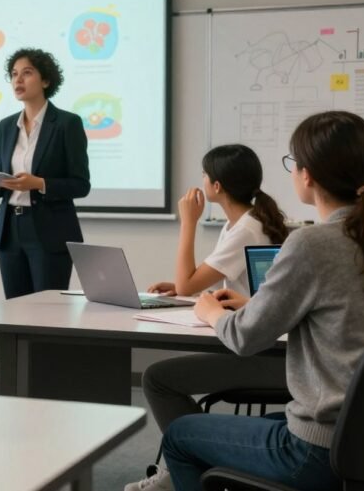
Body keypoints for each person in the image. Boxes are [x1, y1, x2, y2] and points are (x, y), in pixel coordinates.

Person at [156, 111, 364, 491]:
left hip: (319, 451)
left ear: (307, 175)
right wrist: (252, 303)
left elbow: (244, 339)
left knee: (180, 436)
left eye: (292, 163)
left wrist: (212, 311)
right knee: (270, 420)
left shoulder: (312, 244)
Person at [126, 144, 290, 490]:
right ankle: (190, 458)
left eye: (204, 175)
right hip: (263, 342)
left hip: (264, 351)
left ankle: (188, 460)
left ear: (217, 186)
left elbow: (190, 283)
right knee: (164, 376)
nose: (200, 182)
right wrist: (180, 285)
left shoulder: (245, 228)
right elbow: (196, 281)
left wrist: (187, 223)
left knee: (157, 378)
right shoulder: (243, 223)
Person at [0, 47, 90, 297]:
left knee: (46, 315)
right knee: (15, 312)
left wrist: (38, 183)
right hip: (10, 232)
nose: (18, 79)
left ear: (46, 80)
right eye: (14, 74)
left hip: (50, 231)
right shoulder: (6, 126)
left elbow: (81, 185)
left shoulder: (67, 124)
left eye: (26, 73)